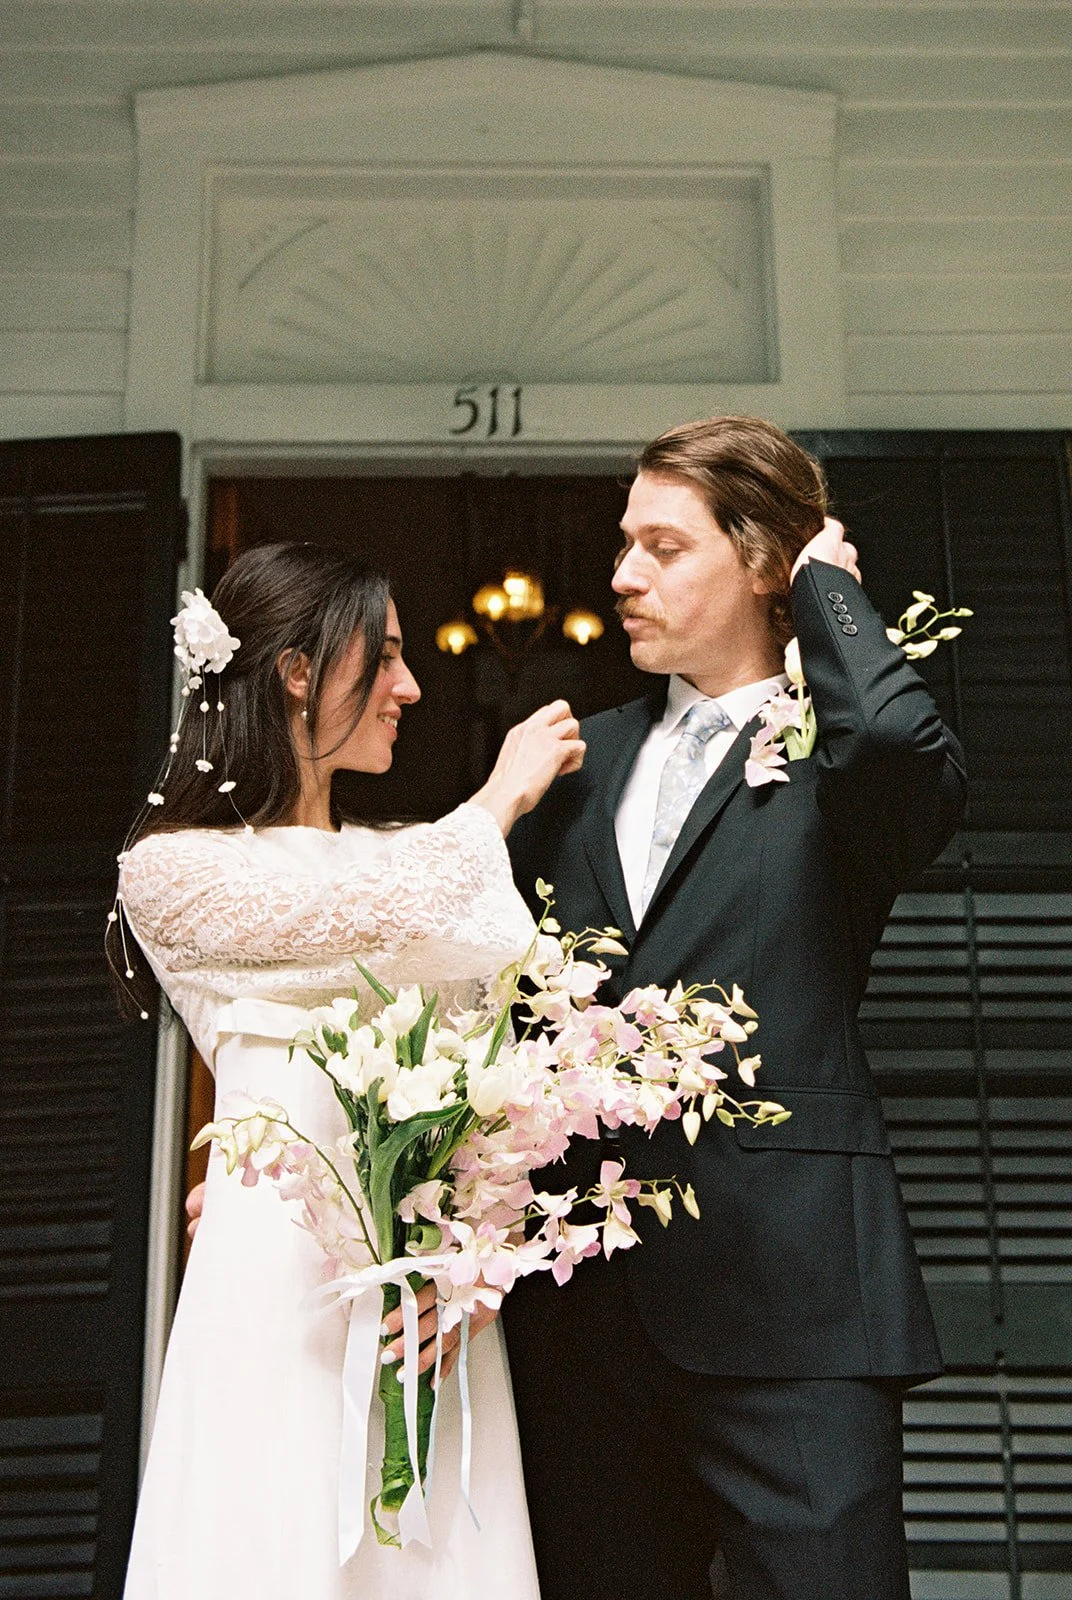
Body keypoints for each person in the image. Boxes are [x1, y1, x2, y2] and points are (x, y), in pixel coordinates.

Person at [502, 416, 967, 1600]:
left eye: (663, 547)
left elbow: (912, 755)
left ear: (761, 561)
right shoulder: (571, 761)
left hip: (795, 1305)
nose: (621, 576)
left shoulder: (844, 750)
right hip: (584, 1314)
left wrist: (830, 594)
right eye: (623, 545)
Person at [113, 541, 584, 1600]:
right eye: (389, 658)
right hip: (273, 1269)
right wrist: (498, 799)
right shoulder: (175, 870)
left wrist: (472, 1264)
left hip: (425, 1287)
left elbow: (490, 1079)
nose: (412, 689)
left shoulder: (409, 852)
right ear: (297, 671)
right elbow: (362, 921)